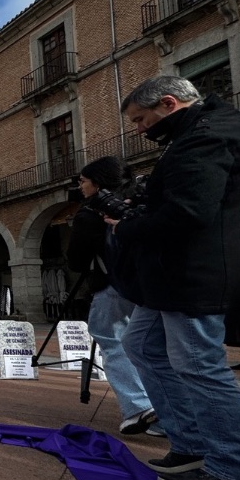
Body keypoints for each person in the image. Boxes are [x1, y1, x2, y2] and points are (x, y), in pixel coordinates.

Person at [113, 76, 240, 480]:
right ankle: (191, 443)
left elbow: (189, 211)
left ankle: (234, 464)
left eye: (141, 119)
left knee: (199, 363)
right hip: (170, 274)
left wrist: (130, 226)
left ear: (169, 104)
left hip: (194, 273)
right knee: (142, 345)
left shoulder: (204, 138)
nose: (139, 129)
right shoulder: (196, 134)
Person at [68, 155, 157, 435]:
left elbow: (76, 261)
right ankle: (170, 413)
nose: (80, 186)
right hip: (152, 285)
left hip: (113, 285)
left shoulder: (91, 213)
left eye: (83, 181)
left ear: (97, 183)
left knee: (111, 340)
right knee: (153, 348)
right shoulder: (144, 200)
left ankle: (138, 405)